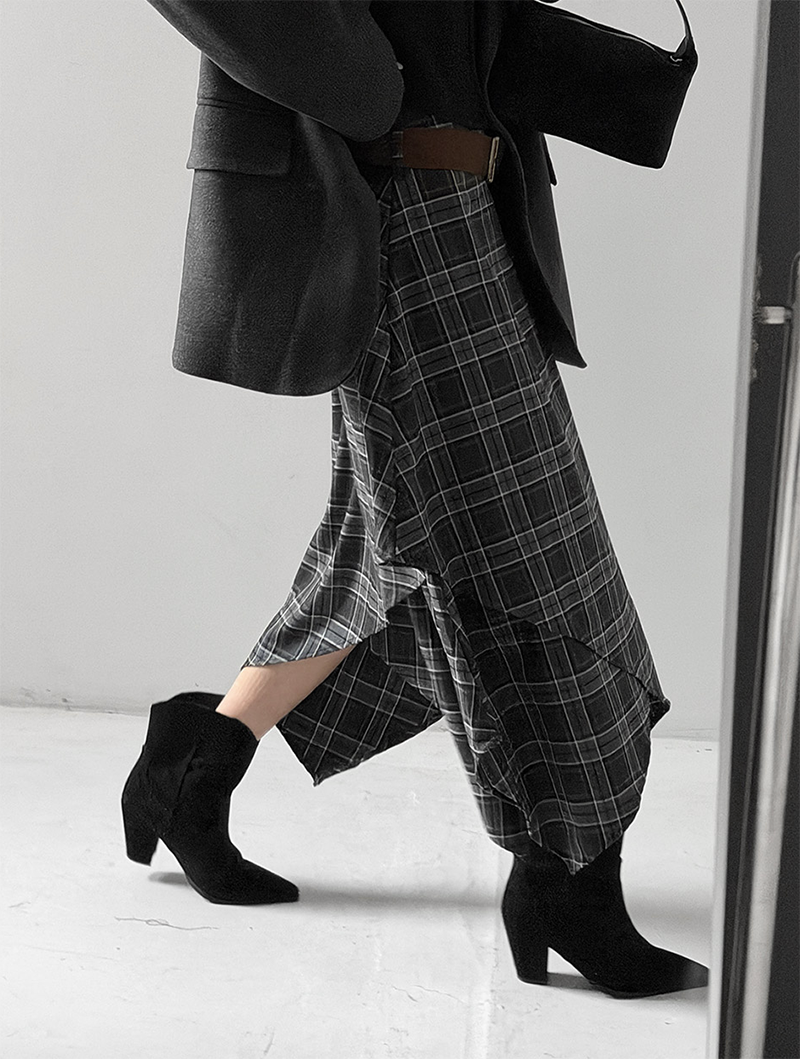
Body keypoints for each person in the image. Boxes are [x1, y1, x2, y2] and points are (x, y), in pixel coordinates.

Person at [121, 0, 708, 1000]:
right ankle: (567, 872)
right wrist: (369, 86)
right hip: (387, 205)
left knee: (390, 543)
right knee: (530, 548)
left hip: (469, 198)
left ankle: (195, 764)